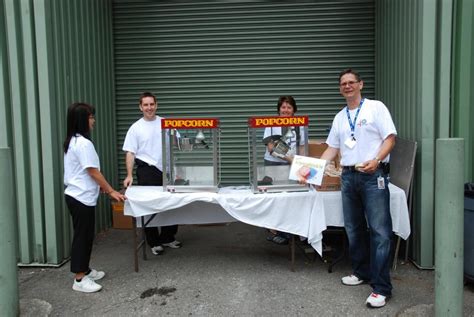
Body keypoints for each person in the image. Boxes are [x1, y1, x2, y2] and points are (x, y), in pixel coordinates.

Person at [319, 69, 397, 308]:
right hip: (349, 177)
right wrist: (311, 171)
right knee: (353, 229)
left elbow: (390, 138)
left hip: (373, 176)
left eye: (352, 82)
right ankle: (362, 272)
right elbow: (332, 149)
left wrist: (377, 160)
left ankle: (381, 287)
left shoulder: (376, 107)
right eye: (343, 83)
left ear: (360, 84)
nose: (348, 86)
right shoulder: (340, 117)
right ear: (340, 88)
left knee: (380, 232)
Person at [63, 102, 126, 293]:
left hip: (79, 195)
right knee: (82, 237)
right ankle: (80, 280)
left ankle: (85, 270)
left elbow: (80, 172)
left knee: (86, 236)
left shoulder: (73, 140)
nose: (94, 121)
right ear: (83, 120)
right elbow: (92, 171)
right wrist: (111, 191)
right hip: (80, 198)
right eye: (91, 117)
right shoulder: (83, 143)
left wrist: (97, 189)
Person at [123, 92, 181, 255]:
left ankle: (168, 237)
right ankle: (153, 241)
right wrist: (129, 175)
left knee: (172, 204)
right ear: (140, 107)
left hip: (167, 171)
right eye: (146, 105)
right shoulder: (136, 128)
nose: (149, 108)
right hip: (147, 171)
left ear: (156, 105)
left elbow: (178, 144)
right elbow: (130, 153)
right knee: (151, 205)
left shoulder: (165, 123)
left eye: (151, 104)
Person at [263, 96, 305, 245]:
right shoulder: (271, 124)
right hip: (273, 165)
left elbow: (301, 148)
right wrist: (292, 160)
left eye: (289, 107)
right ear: (278, 109)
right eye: (283, 107)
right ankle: (274, 230)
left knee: (292, 198)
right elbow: (271, 148)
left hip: (293, 166)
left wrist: (301, 164)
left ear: (294, 110)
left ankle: (293, 230)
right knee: (275, 198)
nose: (285, 110)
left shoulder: (300, 125)